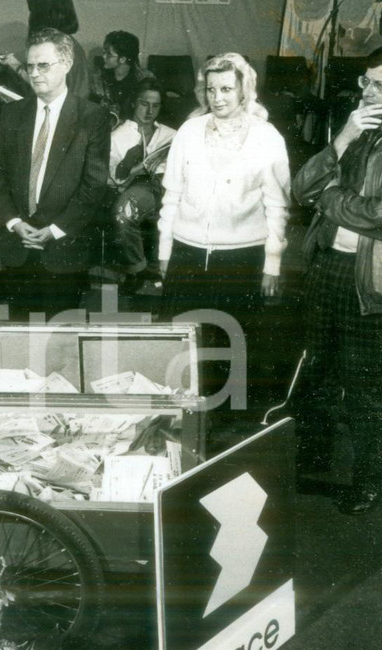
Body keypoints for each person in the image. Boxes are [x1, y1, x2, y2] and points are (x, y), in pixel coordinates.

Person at [292, 42, 382, 515]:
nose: (367, 92)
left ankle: (372, 481)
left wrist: (329, 197)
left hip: (375, 283)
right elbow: (302, 188)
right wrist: (340, 140)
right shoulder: (358, 129)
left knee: (370, 391)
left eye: (379, 84)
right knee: (317, 374)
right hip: (329, 269)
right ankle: (316, 467)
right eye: (365, 81)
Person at [157, 52, 290, 408]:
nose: (217, 98)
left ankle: (228, 422)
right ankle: (181, 418)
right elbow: (172, 196)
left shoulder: (267, 137)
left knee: (232, 342)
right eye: (211, 89)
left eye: (227, 89)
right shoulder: (189, 131)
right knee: (183, 343)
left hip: (241, 258)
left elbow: (277, 205)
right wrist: (165, 251)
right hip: (187, 253)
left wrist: (272, 262)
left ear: (244, 90)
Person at [0, 28, 109, 321]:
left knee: (61, 339)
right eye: (30, 66)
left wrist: (54, 229)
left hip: (64, 248)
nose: (34, 73)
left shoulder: (92, 117)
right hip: (19, 245)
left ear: (66, 64)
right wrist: (15, 222)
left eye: (43, 65)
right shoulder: (12, 113)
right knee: (20, 335)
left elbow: (93, 186)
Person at [105, 77, 176, 294]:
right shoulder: (118, 136)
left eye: (156, 105)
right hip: (139, 188)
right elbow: (114, 178)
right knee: (124, 213)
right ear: (134, 103)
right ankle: (137, 269)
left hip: (170, 188)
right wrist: (134, 167)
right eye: (144, 104)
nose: (149, 111)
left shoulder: (171, 134)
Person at [98, 30, 151, 124]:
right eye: (104, 52)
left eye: (109, 54)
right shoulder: (98, 78)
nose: (104, 56)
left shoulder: (145, 80)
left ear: (122, 59)